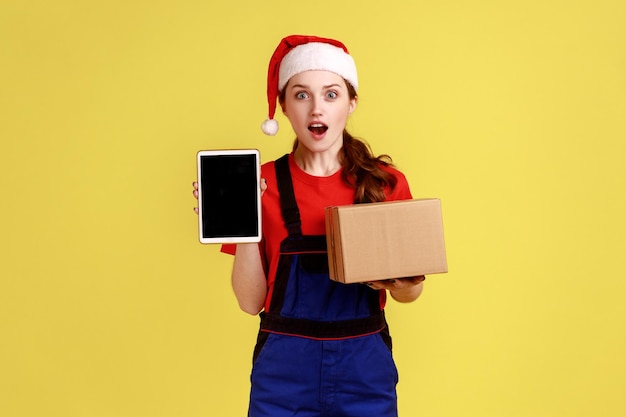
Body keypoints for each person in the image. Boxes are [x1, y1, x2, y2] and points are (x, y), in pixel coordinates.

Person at [194, 35, 425, 417]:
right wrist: (241, 221)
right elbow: (250, 303)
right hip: (283, 378)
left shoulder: (385, 184)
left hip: (364, 374)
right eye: (301, 95)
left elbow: (409, 295)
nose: (316, 108)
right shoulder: (260, 184)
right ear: (283, 106)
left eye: (331, 95)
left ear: (351, 103)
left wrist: (397, 280)